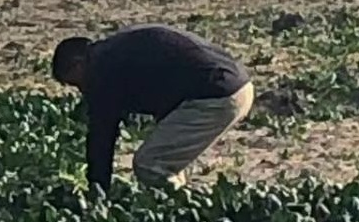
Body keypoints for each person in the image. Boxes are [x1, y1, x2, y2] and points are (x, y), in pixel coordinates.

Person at [50, 23, 254, 191]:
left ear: (77, 64)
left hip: (217, 96)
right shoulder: (114, 50)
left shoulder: (100, 69)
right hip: (238, 85)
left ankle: (195, 211)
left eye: (75, 83)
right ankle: (184, 206)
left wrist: (97, 191)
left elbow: (102, 134)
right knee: (165, 160)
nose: (82, 91)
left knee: (150, 164)